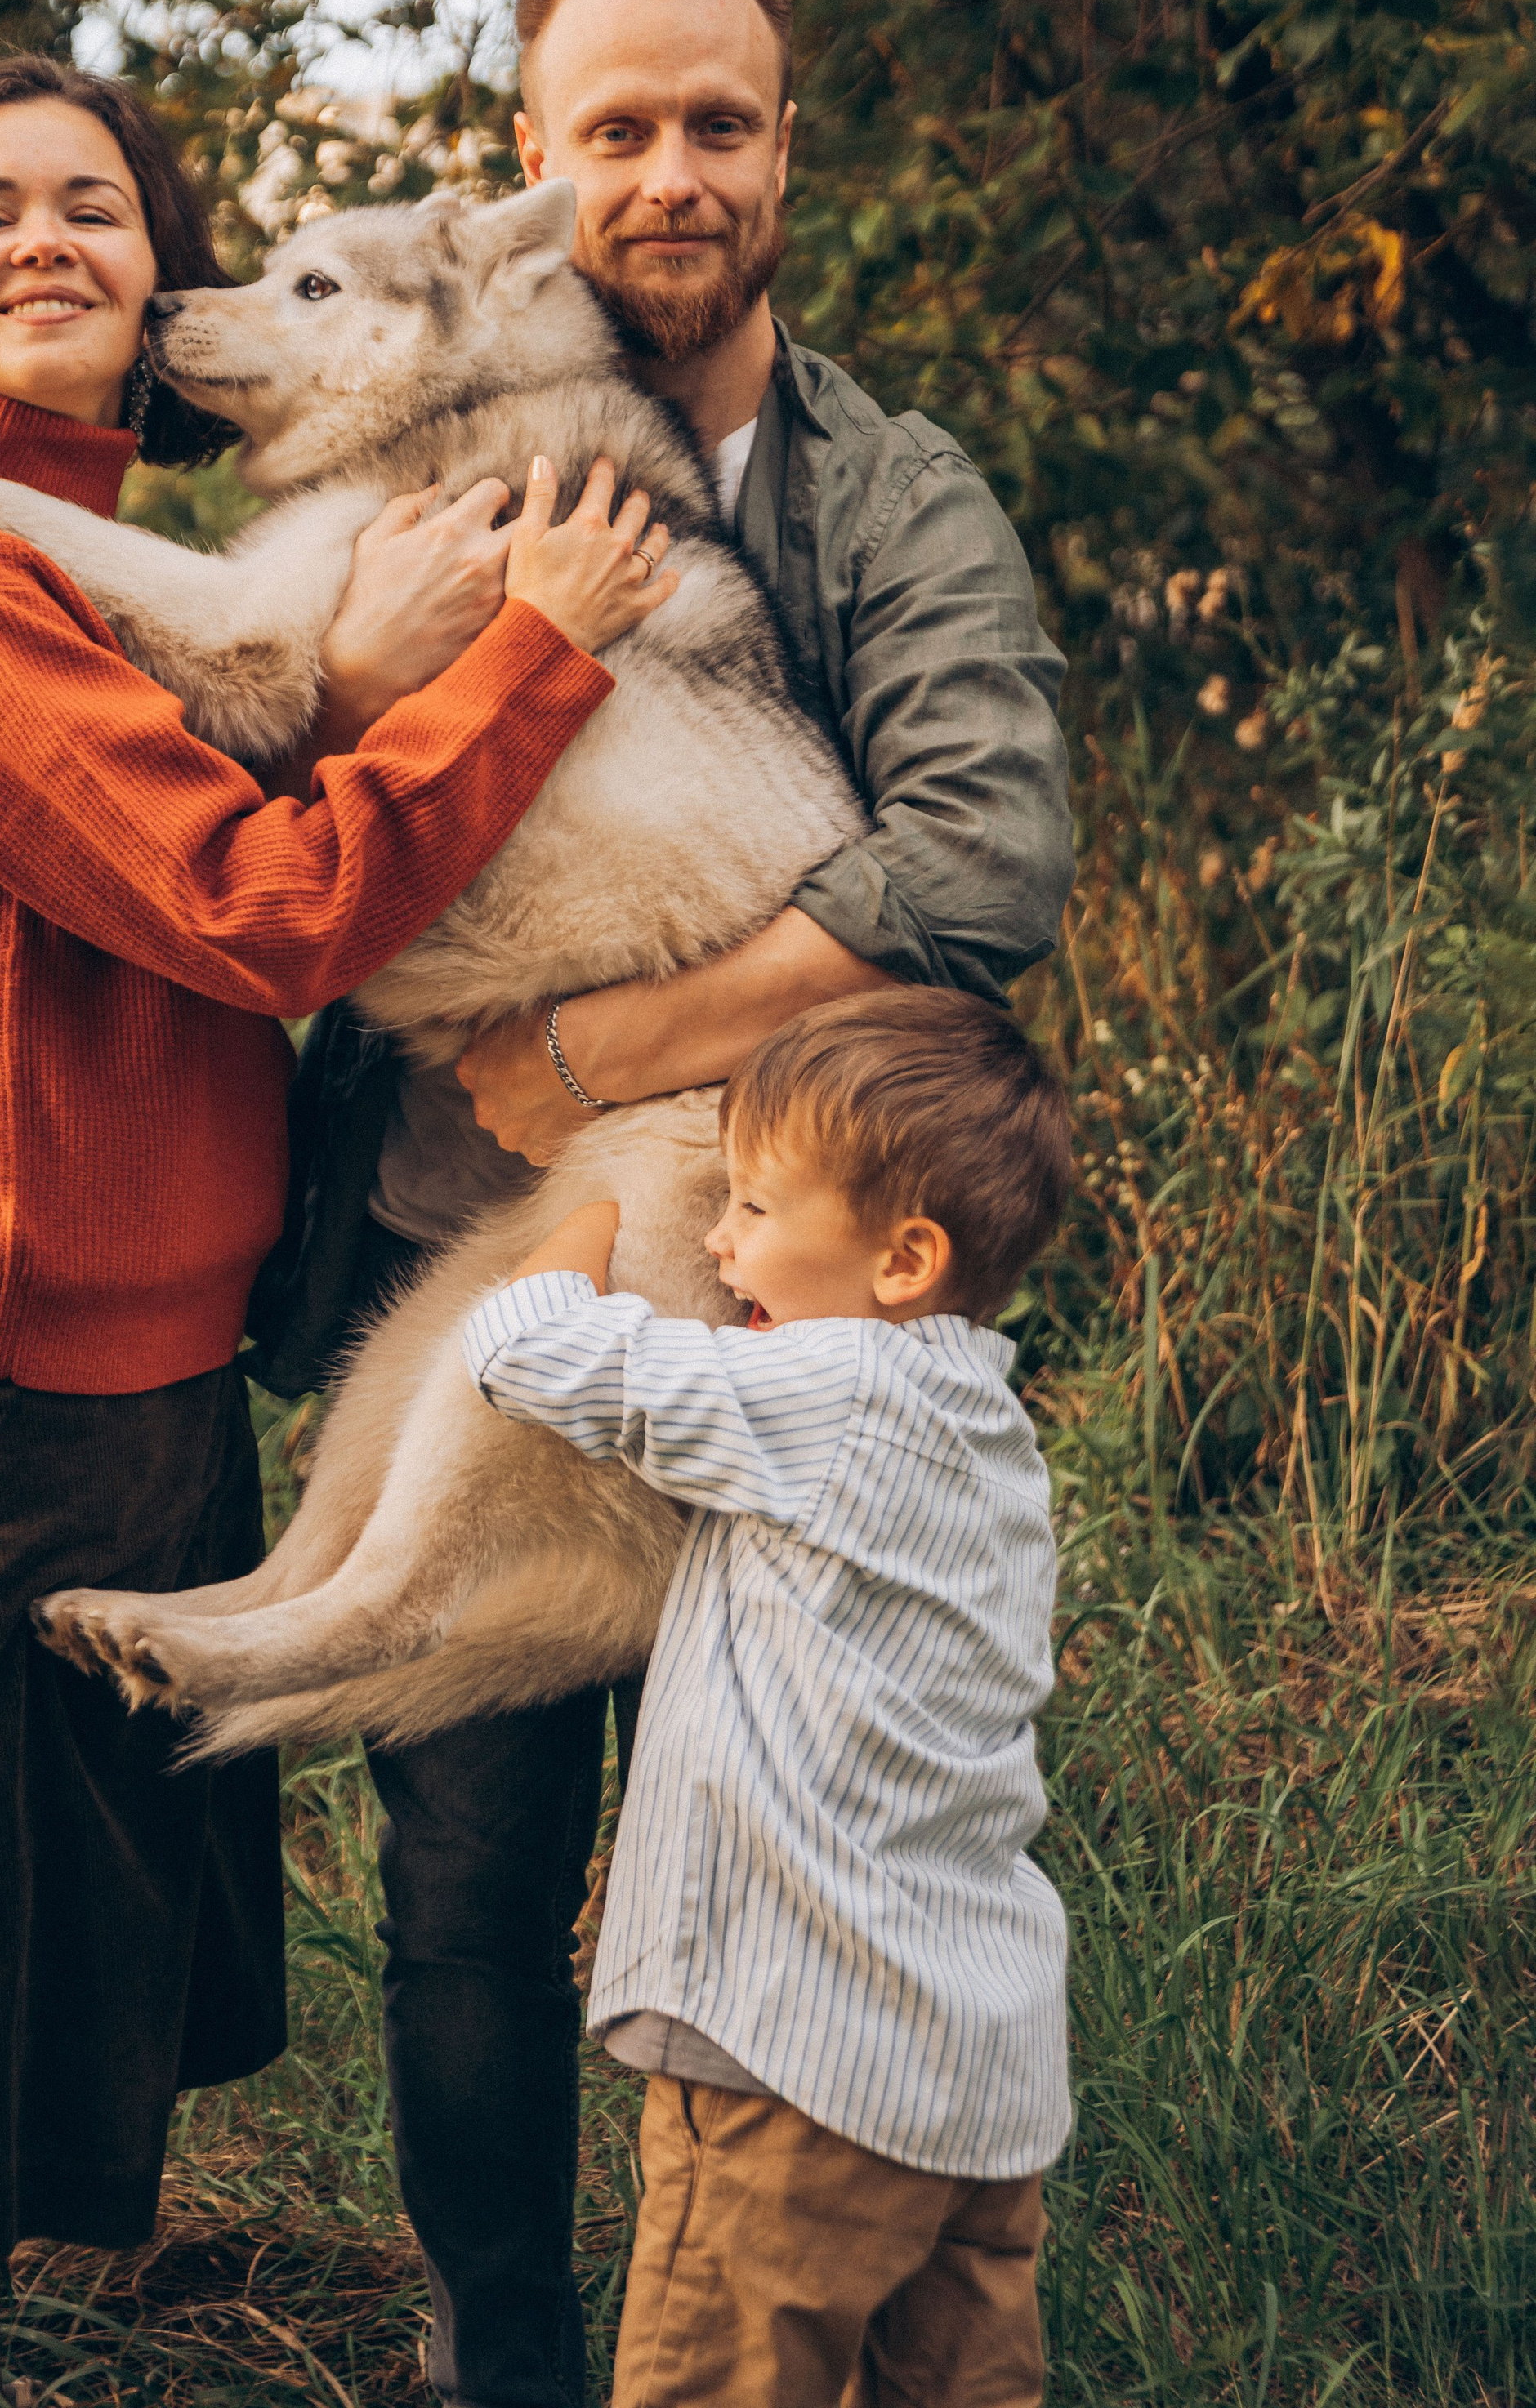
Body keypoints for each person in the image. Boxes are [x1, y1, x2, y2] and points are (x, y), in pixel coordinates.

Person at [0, 51, 678, 2408]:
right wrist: (528, 659)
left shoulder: (53, 569)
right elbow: (261, 906)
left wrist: (350, 676)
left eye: (95, 206)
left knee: (8, 2002)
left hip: (136, 1370)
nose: (49, 240)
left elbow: (220, 737)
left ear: (155, 274)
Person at [245, 0, 1076, 2408]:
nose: (674, 171)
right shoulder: (420, 454)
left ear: (785, 151)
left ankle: (787, 2337)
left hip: (815, 1310)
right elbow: (281, 809)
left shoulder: (892, 495)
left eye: (720, 122)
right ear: (535, 171)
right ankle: (509, 2351)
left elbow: (987, 860)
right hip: (462, 1254)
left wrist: (612, 1027)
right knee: (470, 1888)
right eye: (620, 127)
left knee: (823, 1874)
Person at [464, 991, 1076, 2407]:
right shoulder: (990, 1434)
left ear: (902, 1260)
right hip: (975, 2076)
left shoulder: (831, 1385)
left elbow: (532, 1352)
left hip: (786, 2054)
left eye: (749, 1203)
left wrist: (579, 1222)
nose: (718, 1239)